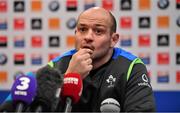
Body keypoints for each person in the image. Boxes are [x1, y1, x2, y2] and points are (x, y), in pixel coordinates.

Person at [0, 7, 156, 112]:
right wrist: (69, 77)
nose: (88, 37)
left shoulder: (131, 67)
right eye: (82, 30)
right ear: (75, 34)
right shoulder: (54, 67)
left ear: (113, 39)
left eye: (98, 31)